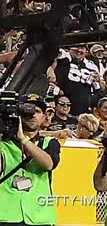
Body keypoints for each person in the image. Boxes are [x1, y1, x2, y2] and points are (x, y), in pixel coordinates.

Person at [0, 94, 61, 226]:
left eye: (37, 111)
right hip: (6, 216)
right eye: (28, 110)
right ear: (18, 115)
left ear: (44, 117)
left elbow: (48, 164)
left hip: (39, 217)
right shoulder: (3, 143)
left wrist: (23, 139)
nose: (33, 115)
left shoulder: (49, 142)